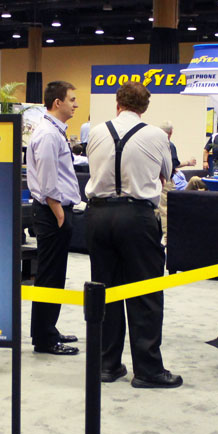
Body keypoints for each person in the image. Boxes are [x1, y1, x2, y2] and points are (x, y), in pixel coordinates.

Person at [85, 82, 180, 389]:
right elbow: (167, 174)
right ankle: (148, 370)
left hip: (98, 216)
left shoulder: (96, 132)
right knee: (145, 293)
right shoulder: (156, 135)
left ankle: (106, 364)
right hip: (137, 217)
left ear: (118, 103)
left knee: (106, 291)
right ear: (145, 107)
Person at [26, 80, 81, 356]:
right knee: (49, 276)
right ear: (57, 103)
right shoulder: (48, 134)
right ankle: (45, 338)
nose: (76, 105)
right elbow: (48, 180)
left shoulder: (54, 131)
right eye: (72, 99)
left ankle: (48, 329)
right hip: (52, 213)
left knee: (55, 275)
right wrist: (59, 213)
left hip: (54, 211)